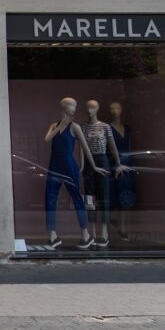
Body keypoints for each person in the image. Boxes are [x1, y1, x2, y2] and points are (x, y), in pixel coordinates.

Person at [44, 97, 109, 250]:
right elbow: (47, 139)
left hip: (68, 166)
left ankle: (85, 234)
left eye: (75, 106)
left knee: (77, 198)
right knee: (49, 198)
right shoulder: (54, 125)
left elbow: (85, 148)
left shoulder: (75, 127)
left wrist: (93, 166)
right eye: (71, 105)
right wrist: (61, 125)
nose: (74, 108)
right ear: (63, 107)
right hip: (54, 166)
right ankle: (52, 235)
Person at [81, 99, 129, 247]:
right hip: (89, 163)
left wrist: (119, 163)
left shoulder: (105, 127)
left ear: (98, 109)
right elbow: (82, 148)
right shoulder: (82, 127)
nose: (90, 110)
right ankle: (93, 232)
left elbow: (113, 147)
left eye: (93, 107)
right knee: (90, 198)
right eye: (88, 107)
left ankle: (104, 232)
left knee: (103, 195)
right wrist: (82, 166)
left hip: (102, 160)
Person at [108, 101, 135, 241]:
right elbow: (109, 148)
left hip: (128, 163)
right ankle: (116, 222)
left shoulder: (127, 128)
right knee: (115, 193)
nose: (115, 110)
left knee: (127, 194)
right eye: (112, 108)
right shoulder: (108, 128)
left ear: (122, 109)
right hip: (114, 163)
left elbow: (131, 145)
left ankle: (123, 226)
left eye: (117, 107)